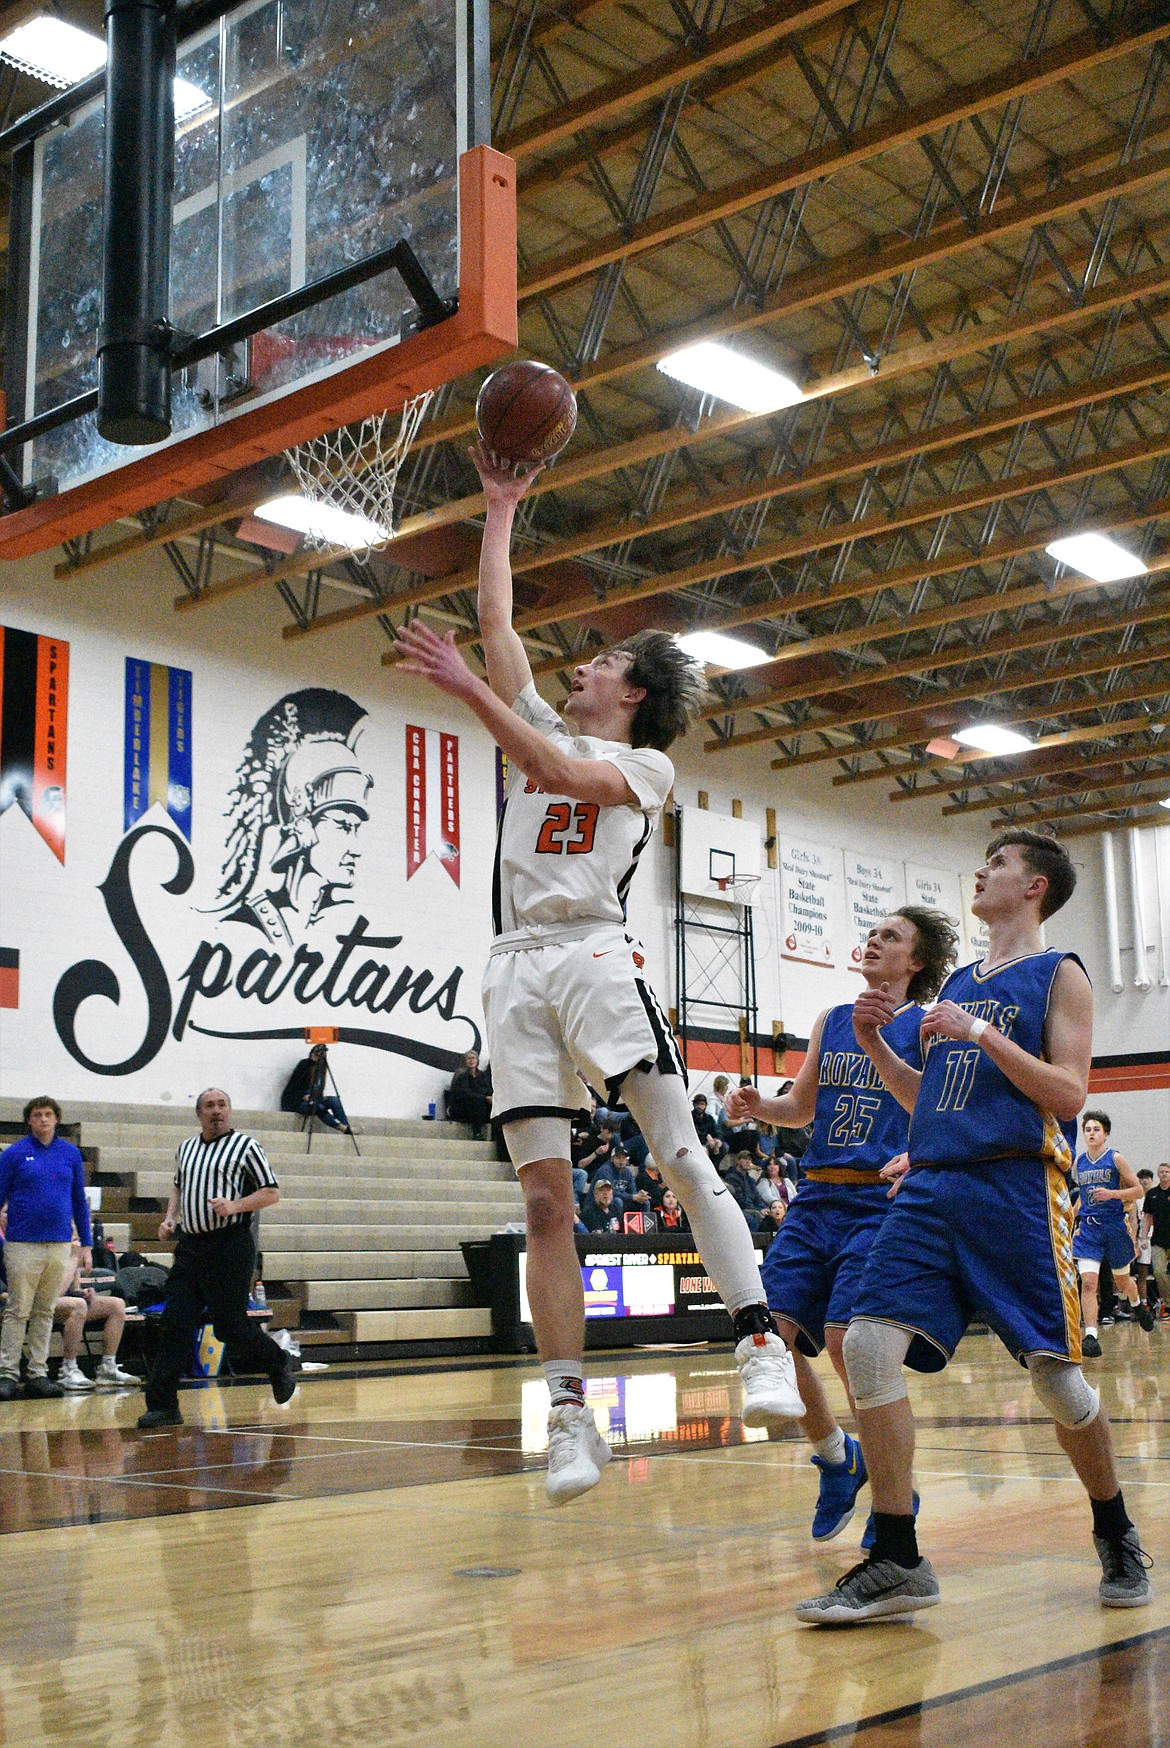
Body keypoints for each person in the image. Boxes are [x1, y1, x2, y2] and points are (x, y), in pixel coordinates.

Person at [395, 448, 801, 1505]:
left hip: (592, 949)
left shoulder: (645, 767)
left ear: (636, 690)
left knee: (675, 1146)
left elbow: (555, 769)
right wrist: (497, 509)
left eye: (601, 661)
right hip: (513, 968)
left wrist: (471, 691)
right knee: (542, 1203)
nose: (580, 666)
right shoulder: (544, 714)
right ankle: (570, 1412)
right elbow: (497, 623)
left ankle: (757, 1339)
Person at [797, 829, 1151, 1624]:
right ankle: (897, 1556)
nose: (983, 871)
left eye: (998, 865)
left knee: (1059, 1385)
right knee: (863, 1342)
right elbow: (930, 1101)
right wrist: (872, 1049)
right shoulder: (957, 979)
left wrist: (981, 1033)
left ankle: (1116, 1529)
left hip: (1016, 1192)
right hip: (932, 1189)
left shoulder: (1059, 975)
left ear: (1034, 888)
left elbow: (1067, 1094)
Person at [725, 908, 957, 1544]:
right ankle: (835, 1456)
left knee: (842, 1338)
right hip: (816, 1196)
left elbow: (932, 1110)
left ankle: (889, 1482)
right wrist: (759, 1108)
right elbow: (802, 1107)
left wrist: (923, 1154)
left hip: (879, 1201)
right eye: (873, 933)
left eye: (893, 938)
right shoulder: (830, 1019)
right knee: (766, 1334)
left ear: (916, 962)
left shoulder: (927, 1026)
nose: (875, 942)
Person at [137, 1089, 296, 1429]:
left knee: (229, 1325)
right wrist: (170, 1217)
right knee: (175, 1322)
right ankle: (163, 1404)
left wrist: (234, 1205)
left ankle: (277, 1361)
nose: (217, 1111)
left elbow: (272, 1192)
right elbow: (178, 1186)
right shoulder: (186, 1148)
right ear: (199, 1114)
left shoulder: (246, 1147)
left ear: (230, 1111)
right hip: (192, 1247)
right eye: (209, 1106)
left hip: (230, 1245)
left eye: (222, 1105)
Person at [0, 1097, 92, 1401]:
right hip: (21, 1243)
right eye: (37, 1115)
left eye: (48, 1114)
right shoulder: (14, 1154)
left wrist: (87, 1245)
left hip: (59, 1244)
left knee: (45, 1310)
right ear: (29, 1120)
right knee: (18, 1310)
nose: (43, 1119)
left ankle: (38, 1373)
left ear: (56, 1119)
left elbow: (79, 1201)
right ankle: (7, 1374)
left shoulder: (70, 1154)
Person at [1072, 1112, 1153, 1352]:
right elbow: (1082, 1200)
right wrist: (1069, 1217)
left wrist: (1112, 1194)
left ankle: (1137, 1304)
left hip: (1114, 1227)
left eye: (1096, 1129)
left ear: (1105, 1134)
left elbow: (1138, 1191)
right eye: (1087, 1129)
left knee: (1121, 1281)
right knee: (1088, 1283)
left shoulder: (1115, 1158)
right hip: (1089, 1229)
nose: (1091, 1133)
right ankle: (1091, 1336)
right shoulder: (1079, 1162)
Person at [55, 1241, 138, 1391]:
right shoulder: (52, 1249)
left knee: (117, 1305)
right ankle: (68, 1369)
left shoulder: (70, 1250)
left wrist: (83, 1292)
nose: (75, 1236)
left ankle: (107, 1368)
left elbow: (74, 1289)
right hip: (41, 1304)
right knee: (78, 1305)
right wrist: (74, 1258)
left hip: (66, 1302)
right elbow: (56, 1294)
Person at [280, 1044, 351, 1133]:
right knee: (318, 1107)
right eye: (314, 1053)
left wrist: (319, 1097)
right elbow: (295, 1085)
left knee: (334, 1100)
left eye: (318, 1054)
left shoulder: (321, 1068)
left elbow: (319, 1088)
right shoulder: (304, 1064)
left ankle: (346, 1126)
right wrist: (303, 1096)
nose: (315, 1055)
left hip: (314, 1099)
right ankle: (342, 1128)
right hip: (297, 1101)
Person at [1141, 1162, 1170, 1318]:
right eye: (1161, 1172)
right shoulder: (1152, 1194)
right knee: (1158, 1272)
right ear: (1158, 1175)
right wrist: (1144, 1237)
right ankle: (1168, 1303)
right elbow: (1146, 1217)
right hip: (1158, 1240)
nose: (1164, 1174)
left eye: (1167, 1172)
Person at [447, 1050, 493, 1138]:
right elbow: (465, 1093)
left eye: (473, 1058)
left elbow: (486, 1090)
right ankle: (477, 1133)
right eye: (469, 1058)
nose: (471, 1061)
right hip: (462, 1107)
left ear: (477, 1060)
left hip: (477, 1106)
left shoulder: (481, 1075)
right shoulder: (461, 1075)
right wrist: (484, 1097)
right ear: (465, 1061)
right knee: (477, 1102)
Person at [726, 1151, 769, 1230]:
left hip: (753, 1208)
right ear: (738, 1161)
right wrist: (759, 1210)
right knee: (754, 1218)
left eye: (750, 1159)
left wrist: (764, 1208)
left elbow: (757, 1197)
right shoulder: (732, 1178)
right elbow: (741, 1201)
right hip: (740, 1209)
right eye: (745, 1159)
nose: (748, 1161)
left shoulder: (750, 1180)